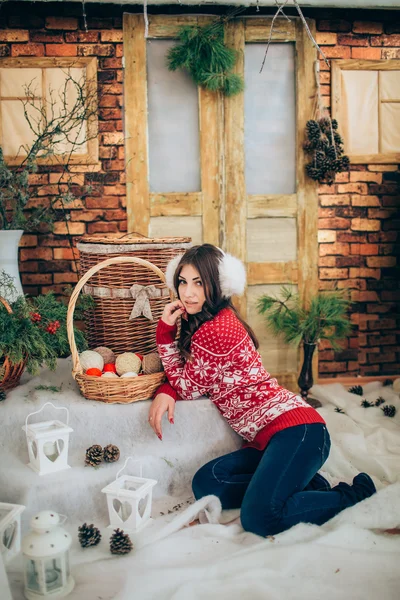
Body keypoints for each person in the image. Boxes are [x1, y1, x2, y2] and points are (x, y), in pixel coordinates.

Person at [148, 244, 376, 537]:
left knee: (260, 518)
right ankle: (308, 486)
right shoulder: (212, 319)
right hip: (269, 439)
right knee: (208, 483)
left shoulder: (216, 329)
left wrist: (165, 333)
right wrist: (172, 383)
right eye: (182, 281)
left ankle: (355, 495)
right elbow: (193, 380)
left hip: (298, 430)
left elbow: (188, 388)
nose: (187, 292)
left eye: (199, 283)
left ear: (217, 285)